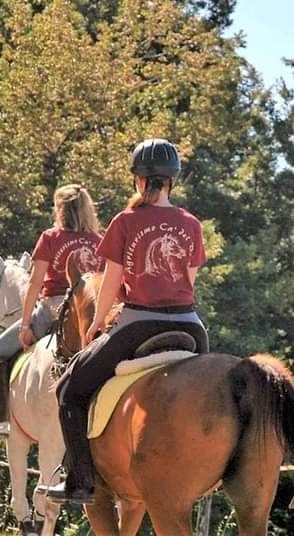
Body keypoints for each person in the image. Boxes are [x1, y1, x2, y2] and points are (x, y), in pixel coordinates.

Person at [46, 138, 208, 505]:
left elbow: (112, 280)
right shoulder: (191, 224)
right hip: (191, 327)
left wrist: (97, 322)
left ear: (138, 179)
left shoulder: (125, 221)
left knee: (69, 391)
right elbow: (189, 280)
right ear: (172, 181)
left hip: (138, 323)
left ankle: (82, 481)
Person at [0, 184, 102, 436]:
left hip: (52, 311)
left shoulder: (50, 237)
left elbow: (35, 283)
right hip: (90, 313)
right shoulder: (98, 242)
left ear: (61, 209)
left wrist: (26, 325)